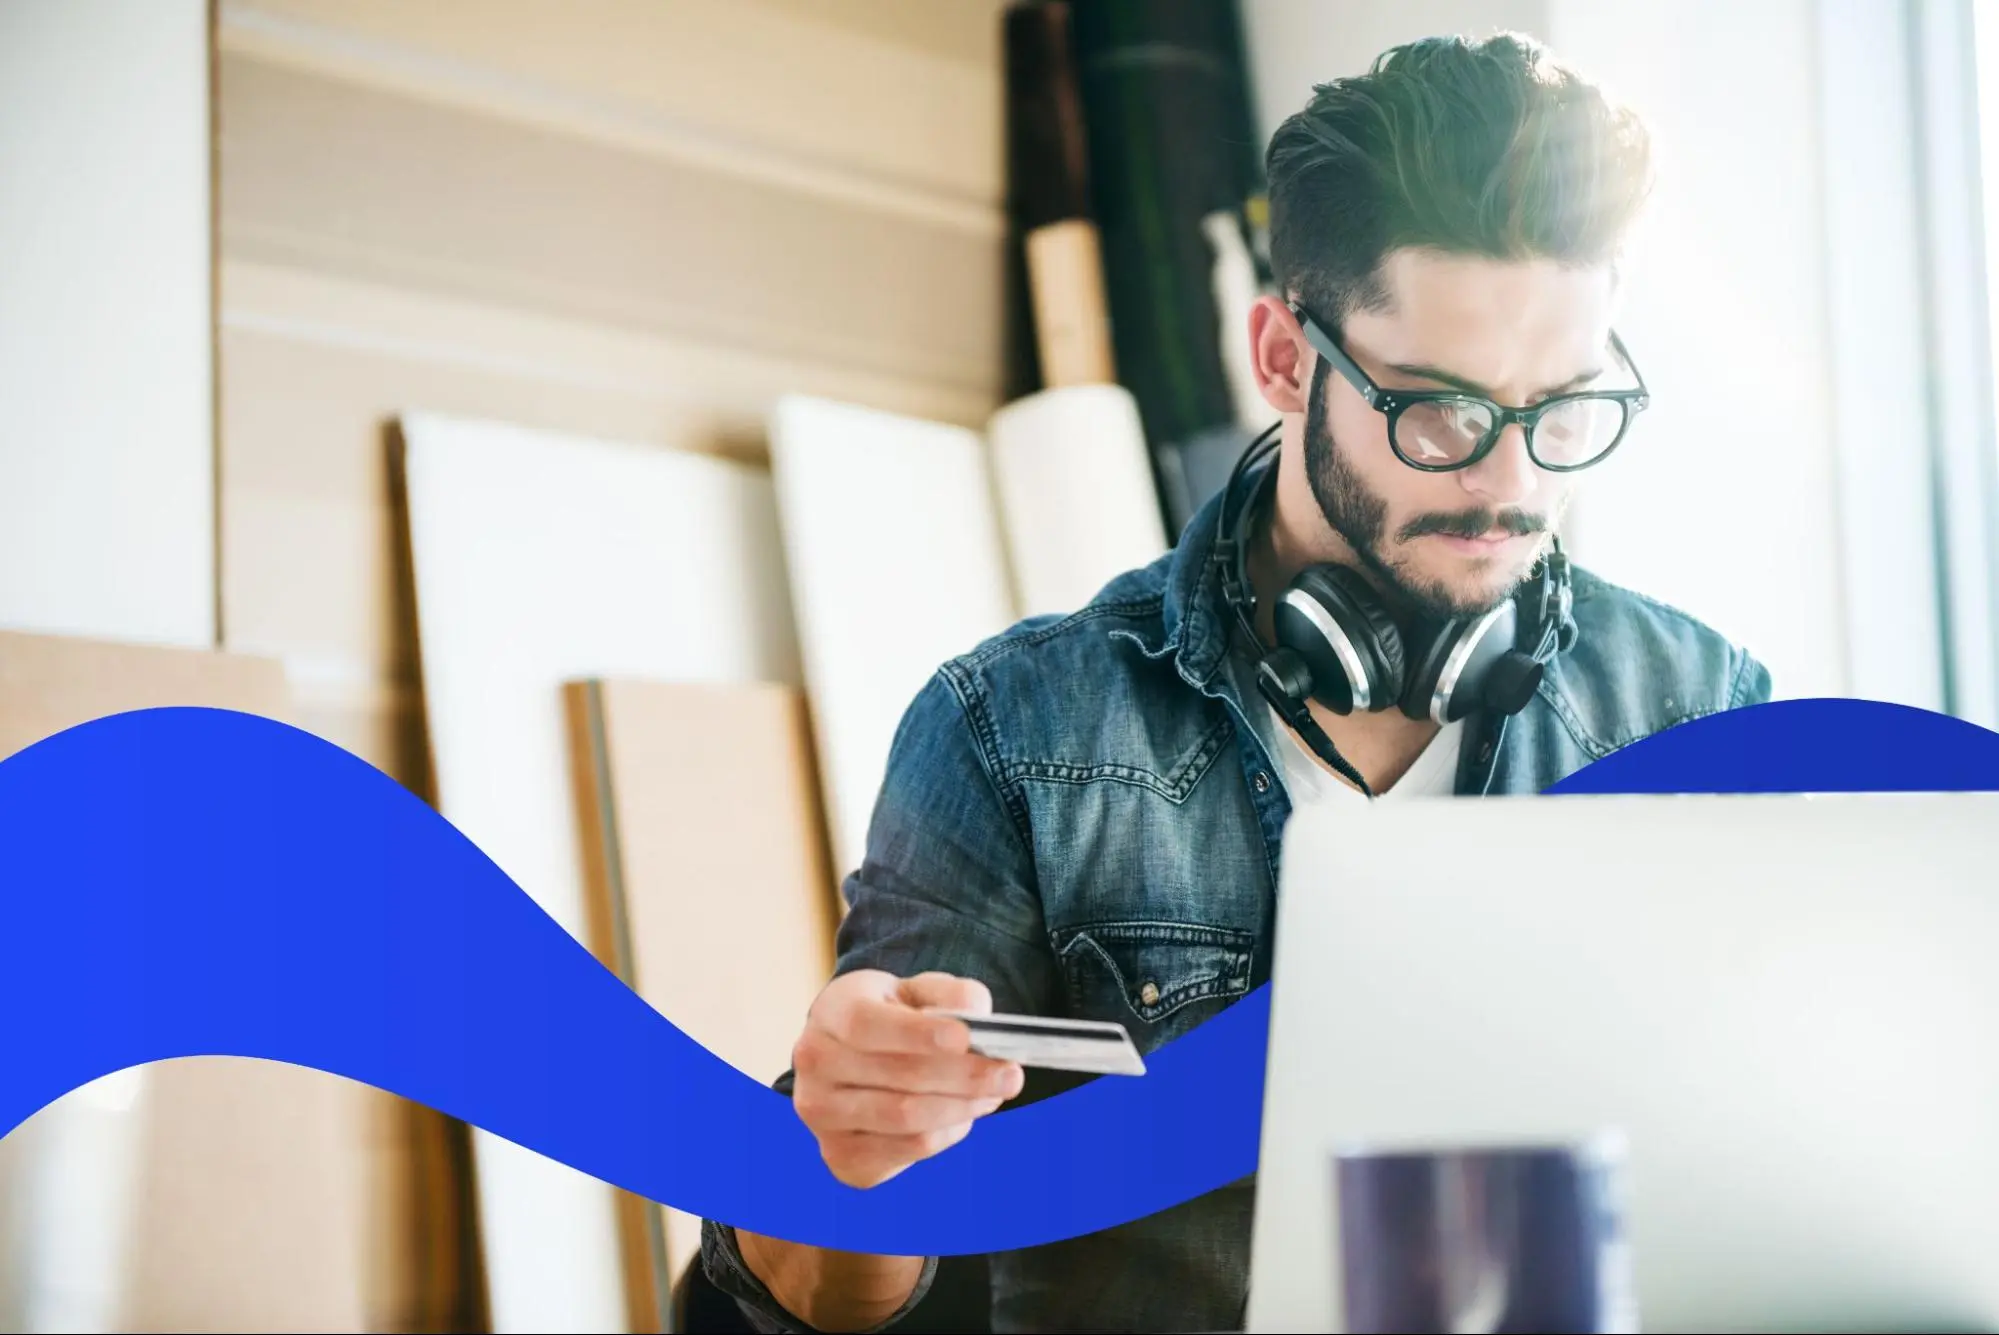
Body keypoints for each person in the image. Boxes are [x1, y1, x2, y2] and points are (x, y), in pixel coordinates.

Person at [701, 30, 1772, 1334]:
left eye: (1563, 409)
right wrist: (849, 1162)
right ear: (1280, 359)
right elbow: (862, 1296)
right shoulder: (1013, 734)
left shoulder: (1698, 707)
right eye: (1440, 412)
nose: (1513, 484)